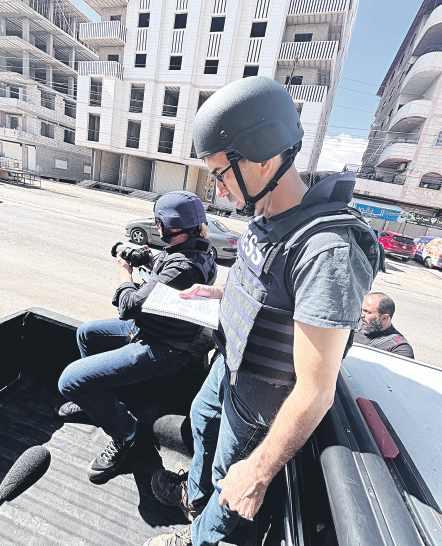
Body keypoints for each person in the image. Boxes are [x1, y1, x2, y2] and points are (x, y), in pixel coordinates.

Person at [145, 76, 379, 546]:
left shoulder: (327, 250)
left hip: (259, 404)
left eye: (221, 173)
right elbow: (267, 287)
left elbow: (315, 391)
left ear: (265, 160)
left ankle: (198, 536)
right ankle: (194, 497)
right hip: (230, 367)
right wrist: (219, 294)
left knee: (230, 481)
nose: (217, 188)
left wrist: (258, 471)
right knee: (201, 420)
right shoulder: (268, 217)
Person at [58, 191, 217, 484]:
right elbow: (167, 266)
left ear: (171, 226)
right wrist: (145, 257)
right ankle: (99, 405)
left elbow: (128, 306)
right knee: (86, 334)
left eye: (159, 222)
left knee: (70, 381)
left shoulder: (184, 266)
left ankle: (127, 435)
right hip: (157, 330)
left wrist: (124, 273)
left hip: (164, 347)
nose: (156, 227)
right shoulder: (198, 249)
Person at [354, 292, 414, 358]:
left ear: (384, 318)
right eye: (362, 310)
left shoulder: (399, 348)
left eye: (368, 312)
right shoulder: (353, 326)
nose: (362, 315)